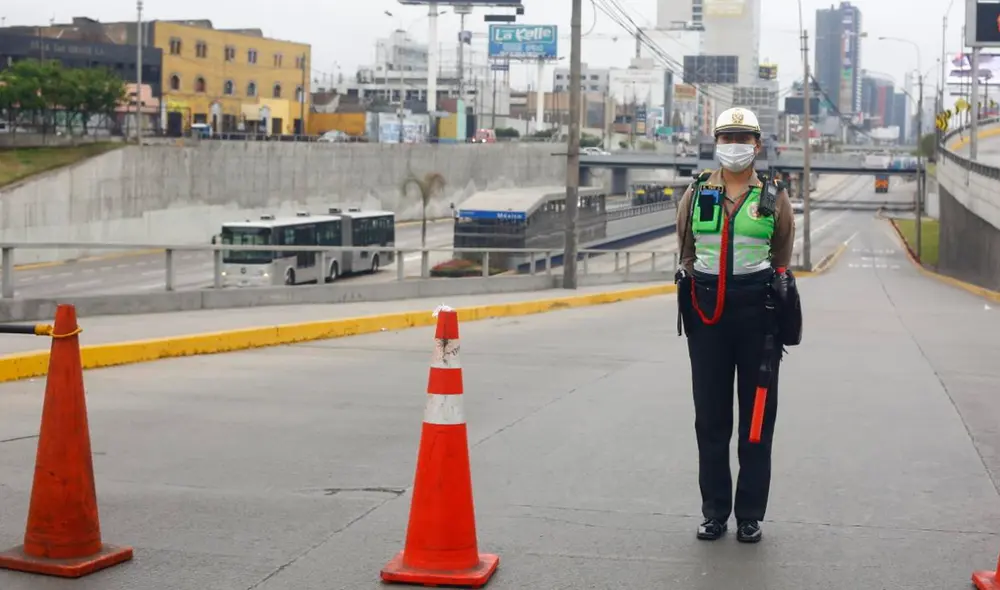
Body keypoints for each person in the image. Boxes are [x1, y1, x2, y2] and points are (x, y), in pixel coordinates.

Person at [674, 107, 798, 544]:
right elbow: (686, 252)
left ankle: (749, 514)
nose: (734, 146)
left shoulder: (773, 196)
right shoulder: (695, 192)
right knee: (710, 419)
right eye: (727, 137)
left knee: (756, 421)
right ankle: (714, 513)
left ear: (757, 145)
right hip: (707, 317)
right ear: (715, 142)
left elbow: (781, 256)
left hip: (758, 319)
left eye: (743, 138)